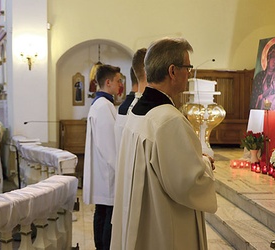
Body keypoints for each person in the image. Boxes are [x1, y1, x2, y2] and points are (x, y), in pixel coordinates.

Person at [111, 37, 217, 250]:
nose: (189, 73)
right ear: (172, 71)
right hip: (164, 229)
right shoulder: (168, 120)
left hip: (142, 221)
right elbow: (188, 183)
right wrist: (205, 163)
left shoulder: (136, 112)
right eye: (188, 67)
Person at [83, 64, 123, 250]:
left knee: (102, 213)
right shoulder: (104, 106)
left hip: (103, 171)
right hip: (108, 173)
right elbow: (109, 147)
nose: (119, 84)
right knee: (107, 215)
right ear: (108, 82)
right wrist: (121, 170)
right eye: (117, 81)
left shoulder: (101, 104)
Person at [251, 43, 275, 110]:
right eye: (272, 56)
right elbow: (255, 97)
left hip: (273, 111)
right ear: (268, 58)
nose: (274, 60)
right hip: (260, 111)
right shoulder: (259, 76)